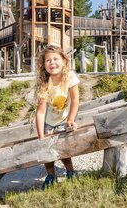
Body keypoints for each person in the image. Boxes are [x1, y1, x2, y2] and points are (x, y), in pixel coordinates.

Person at [35, 45, 80, 189]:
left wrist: (71, 119)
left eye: (56, 59)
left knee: (63, 149)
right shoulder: (44, 83)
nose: (52, 63)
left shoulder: (70, 76)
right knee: (47, 151)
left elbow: (75, 100)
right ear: (44, 64)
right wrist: (41, 135)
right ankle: (51, 175)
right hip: (49, 122)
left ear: (64, 61)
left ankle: (71, 172)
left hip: (64, 119)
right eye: (48, 60)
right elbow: (40, 112)